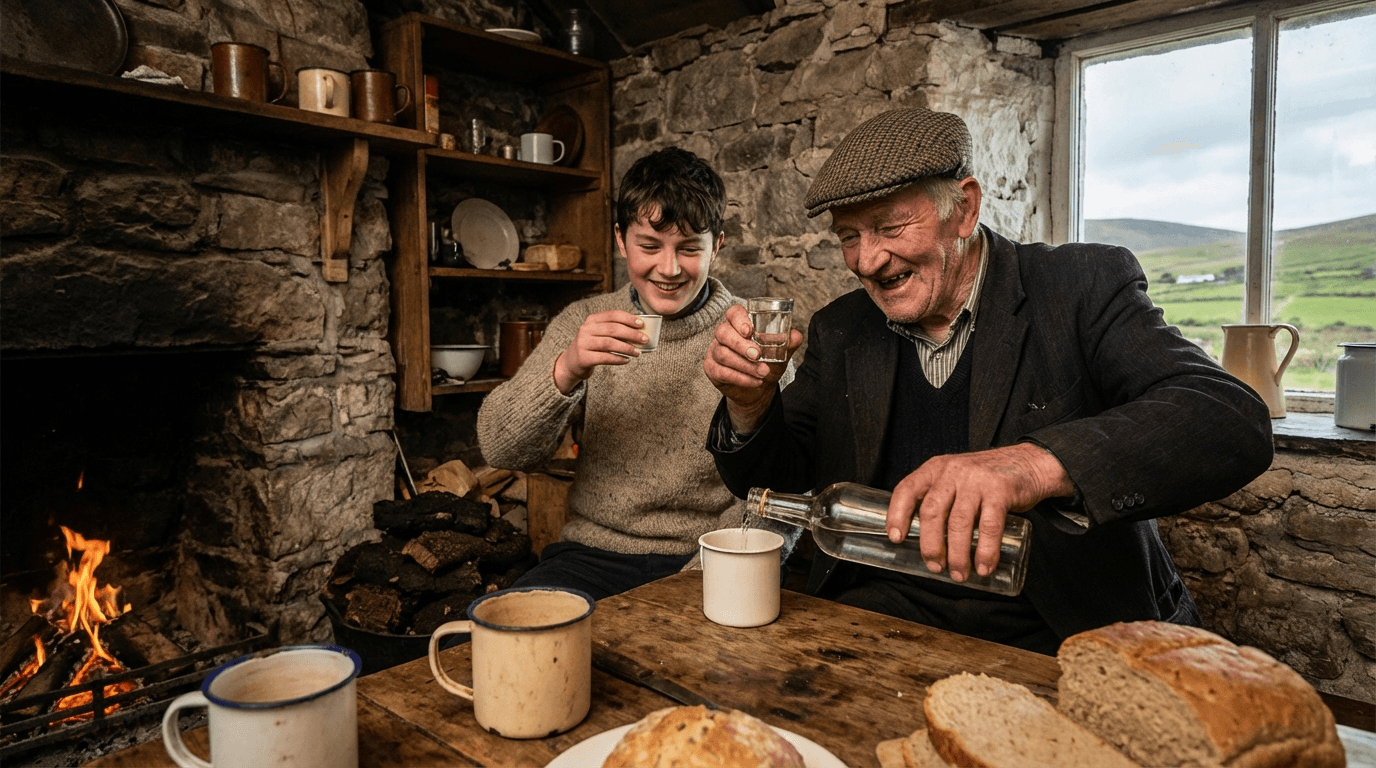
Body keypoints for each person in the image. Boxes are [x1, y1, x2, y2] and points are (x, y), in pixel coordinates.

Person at [703, 107, 1273, 654]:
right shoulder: (843, 328)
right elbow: (775, 477)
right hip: (880, 620)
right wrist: (750, 403)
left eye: (890, 227)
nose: (868, 260)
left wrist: (1032, 465)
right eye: (849, 236)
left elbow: (1229, 418)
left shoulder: (1079, 288)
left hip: (1061, 633)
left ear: (966, 208)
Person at [477, 147, 794, 601]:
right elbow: (500, 447)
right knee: (499, 642)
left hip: (713, 557)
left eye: (689, 249)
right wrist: (566, 369)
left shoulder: (751, 334)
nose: (669, 269)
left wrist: (707, 571)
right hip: (591, 556)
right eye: (649, 246)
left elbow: (783, 488)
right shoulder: (584, 322)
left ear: (717, 246)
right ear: (621, 241)